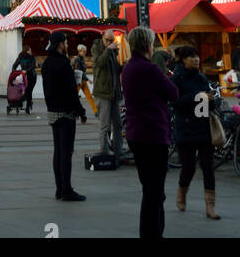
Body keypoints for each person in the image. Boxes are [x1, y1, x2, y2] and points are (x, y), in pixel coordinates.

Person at [121, 26, 179, 240]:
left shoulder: (128, 68)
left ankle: (149, 232)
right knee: (155, 192)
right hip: (154, 133)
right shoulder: (150, 69)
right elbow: (173, 93)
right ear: (148, 45)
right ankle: (152, 233)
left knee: (149, 189)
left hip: (136, 133)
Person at [172, 44, 220, 220]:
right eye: (192, 57)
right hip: (186, 129)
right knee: (189, 167)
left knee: (208, 166)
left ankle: (210, 206)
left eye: (197, 56)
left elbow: (209, 101)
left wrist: (211, 99)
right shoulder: (177, 79)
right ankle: (181, 193)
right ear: (184, 60)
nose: (196, 59)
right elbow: (175, 102)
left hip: (203, 127)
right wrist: (197, 97)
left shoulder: (201, 78)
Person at [42, 30, 88, 201]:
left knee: (58, 152)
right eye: (66, 42)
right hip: (67, 113)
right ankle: (67, 190)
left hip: (53, 112)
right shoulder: (63, 63)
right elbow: (70, 92)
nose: (67, 45)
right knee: (66, 152)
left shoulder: (47, 63)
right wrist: (81, 112)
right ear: (60, 44)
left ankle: (59, 189)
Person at [93, 29, 124, 156]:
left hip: (114, 92)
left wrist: (124, 66)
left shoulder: (112, 51)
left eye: (112, 40)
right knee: (105, 124)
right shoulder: (97, 48)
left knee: (117, 123)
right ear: (102, 38)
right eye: (107, 40)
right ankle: (103, 151)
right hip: (103, 92)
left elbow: (115, 70)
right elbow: (100, 63)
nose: (110, 42)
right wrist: (108, 49)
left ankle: (118, 150)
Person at [11, 45, 36, 114]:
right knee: (23, 91)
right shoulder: (20, 57)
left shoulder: (32, 57)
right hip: (23, 77)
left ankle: (28, 105)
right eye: (29, 50)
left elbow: (33, 66)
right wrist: (14, 71)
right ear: (26, 51)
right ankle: (28, 102)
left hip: (32, 76)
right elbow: (14, 65)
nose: (31, 51)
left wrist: (26, 71)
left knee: (29, 90)